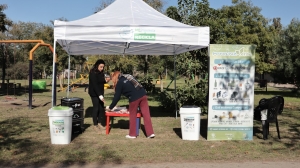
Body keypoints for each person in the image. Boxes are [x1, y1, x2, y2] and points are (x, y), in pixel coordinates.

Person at [106, 71, 155, 139]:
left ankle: (132, 134)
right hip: (143, 94)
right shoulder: (128, 76)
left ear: (115, 77)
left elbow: (117, 97)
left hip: (134, 98)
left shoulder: (120, 83)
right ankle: (150, 133)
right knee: (146, 114)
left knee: (132, 115)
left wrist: (110, 107)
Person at [88, 59, 110, 134]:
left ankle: (100, 123)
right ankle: (95, 125)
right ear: (97, 65)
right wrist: (100, 96)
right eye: (101, 67)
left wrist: (106, 81)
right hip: (94, 93)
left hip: (100, 92)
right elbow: (95, 85)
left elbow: (101, 81)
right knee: (96, 108)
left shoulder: (101, 73)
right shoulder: (92, 73)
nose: (102, 68)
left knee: (101, 108)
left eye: (103, 67)